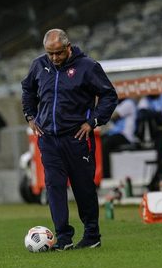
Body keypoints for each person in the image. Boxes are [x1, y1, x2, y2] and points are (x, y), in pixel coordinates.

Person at [21, 29, 117, 250]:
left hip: (77, 137)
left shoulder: (88, 67)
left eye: (58, 53)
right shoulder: (38, 65)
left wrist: (93, 121)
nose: (54, 58)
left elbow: (109, 95)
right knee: (54, 186)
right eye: (50, 53)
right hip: (48, 139)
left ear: (68, 47)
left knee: (83, 187)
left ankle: (92, 235)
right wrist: (30, 116)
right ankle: (63, 237)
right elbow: (27, 89)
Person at [101, 97, 138, 178]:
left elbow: (113, 116)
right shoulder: (117, 104)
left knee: (106, 143)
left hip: (126, 136)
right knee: (98, 141)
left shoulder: (128, 103)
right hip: (114, 134)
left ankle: (106, 175)